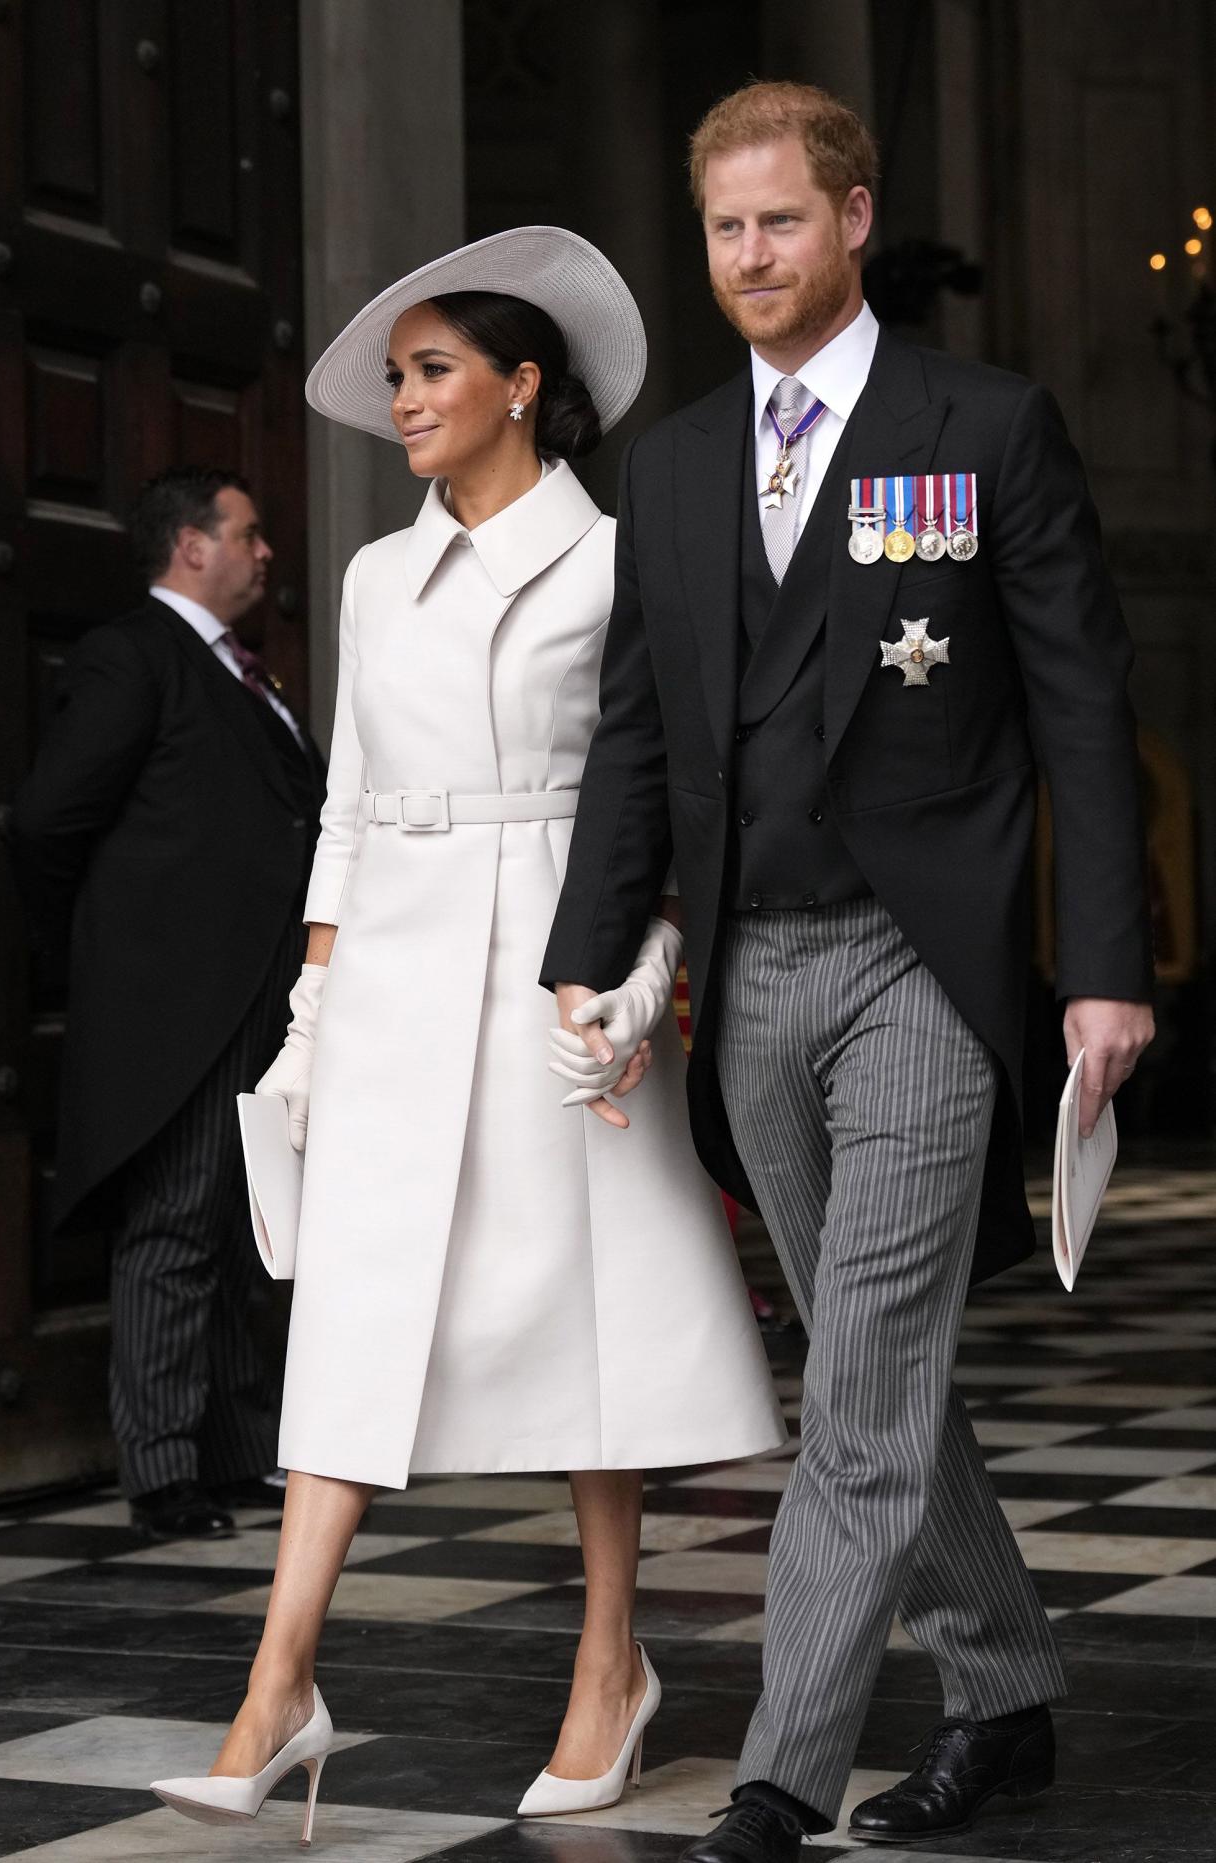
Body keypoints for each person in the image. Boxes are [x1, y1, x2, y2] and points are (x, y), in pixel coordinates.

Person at [542, 83, 1154, 1856]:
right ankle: (1007, 1683)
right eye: (725, 228)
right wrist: (587, 968)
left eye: (781, 222)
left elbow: (1085, 715)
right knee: (882, 1375)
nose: (749, 256)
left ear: (855, 218)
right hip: (746, 987)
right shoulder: (663, 468)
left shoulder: (986, 424)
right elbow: (633, 737)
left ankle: (776, 1773)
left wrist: (1098, 969)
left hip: (922, 975)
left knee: (856, 1390)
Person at [148, 226, 786, 1843]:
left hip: (559, 978)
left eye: (432, 370)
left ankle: (610, 1661)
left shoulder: (619, 556)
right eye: (395, 376)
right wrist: (308, 1010)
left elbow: (651, 785)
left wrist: (644, 973)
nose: (403, 400)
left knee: (602, 1327)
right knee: (353, 1318)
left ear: (522, 383)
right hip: (393, 980)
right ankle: (277, 1677)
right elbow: (348, 807)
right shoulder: (372, 576)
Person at [10, 469, 325, 1542]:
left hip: (263, 997)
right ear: (191, 546)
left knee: (246, 1225)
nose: (266, 551)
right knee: (178, 1224)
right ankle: (161, 1469)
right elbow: (49, 820)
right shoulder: (131, 654)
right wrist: (108, 950)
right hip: (178, 1005)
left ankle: (235, 1452)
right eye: (247, 532)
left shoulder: (245, 674)